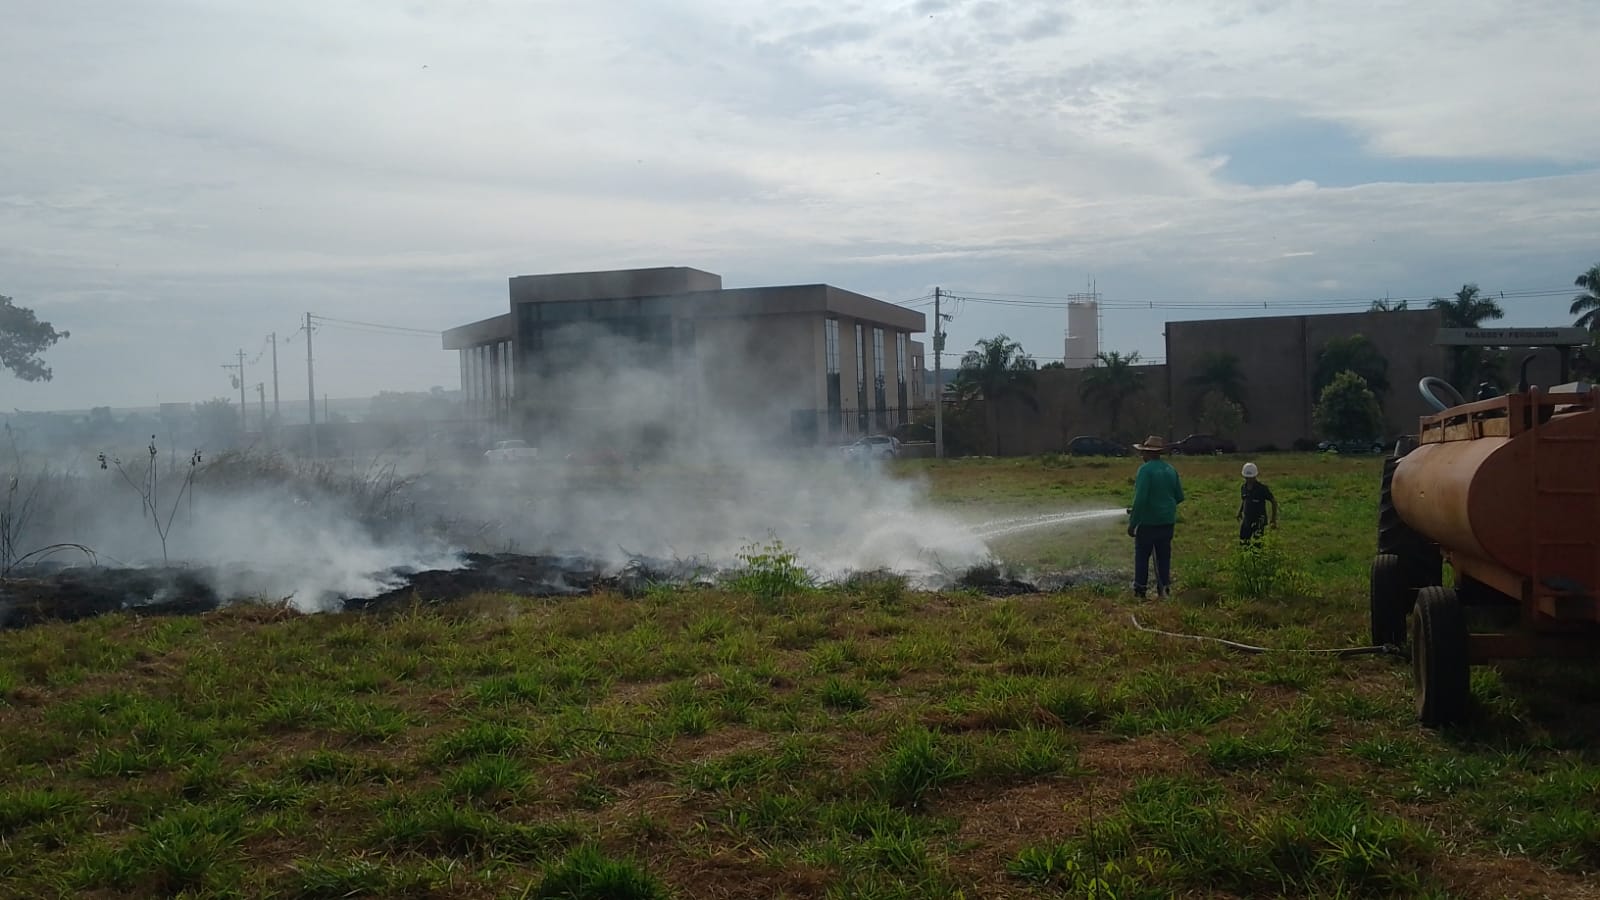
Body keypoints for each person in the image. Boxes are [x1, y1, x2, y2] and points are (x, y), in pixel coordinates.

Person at [1127, 434, 1183, 599]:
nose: (1141, 455)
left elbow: (1140, 499)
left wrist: (1132, 524)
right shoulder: (1171, 470)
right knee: (1163, 557)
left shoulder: (1145, 470)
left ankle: (1140, 590)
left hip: (1148, 523)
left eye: (1143, 452)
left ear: (1149, 454)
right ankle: (1164, 589)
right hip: (1167, 522)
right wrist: (1163, 506)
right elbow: (1179, 496)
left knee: (1142, 556)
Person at [1237, 462, 1278, 543]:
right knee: (1243, 542)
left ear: (1255, 476)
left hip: (1259, 520)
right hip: (1247, 519)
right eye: (1247, 477)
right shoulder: (1243, 487)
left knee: (1257, 543)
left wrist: (1273, 519)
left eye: (1251, 477)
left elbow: (1273, 502)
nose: (1249, 480)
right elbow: (1244, 500)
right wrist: (1239, 512)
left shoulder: (1262, 489)